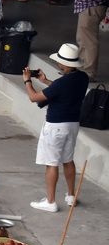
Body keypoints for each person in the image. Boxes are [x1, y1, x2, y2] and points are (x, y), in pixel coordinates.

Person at [22, 43, 89, 212]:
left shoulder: (61, 83)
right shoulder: (83, 78)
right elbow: (62, 90)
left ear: (66, 64)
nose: (58, 64)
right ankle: (71, 196)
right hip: (72, 125)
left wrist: (27, 81)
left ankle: (50, 202)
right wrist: (45, 81)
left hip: (56, 126)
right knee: (68, 159)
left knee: (52, 163)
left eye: (60, 62)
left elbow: (34, 97)